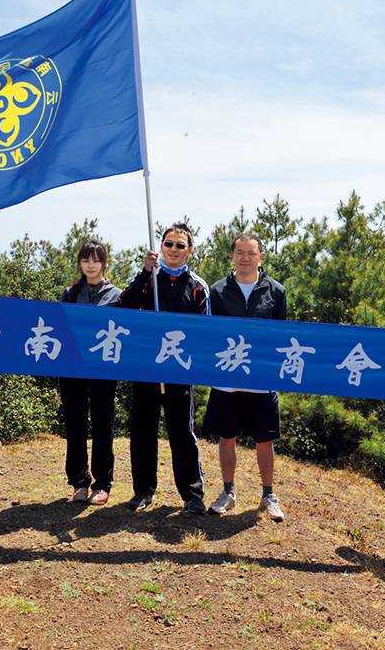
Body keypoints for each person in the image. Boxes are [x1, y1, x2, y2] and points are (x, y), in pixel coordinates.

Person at [117, 222, 209, 516]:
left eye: (180, 245)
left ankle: (192, 495)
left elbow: (207, 331)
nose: (173, 249)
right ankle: (143, 491)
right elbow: (124, 307)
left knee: (182, 433)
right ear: (161, 246)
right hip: (146, 367)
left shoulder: (197, 287)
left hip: (180, 370)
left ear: (190, 250)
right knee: (143, 430)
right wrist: (145, 272)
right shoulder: (148, 280)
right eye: (168, 244)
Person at [204, 232, 288, 521]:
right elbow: (210, 333)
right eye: (240, 252)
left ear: (260, 257)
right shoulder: (217, 291)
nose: (245, 258)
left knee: (265, 439)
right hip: (227, 378)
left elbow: (283, 336)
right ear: (232, 255)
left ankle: (268, 494)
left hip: (262, 379)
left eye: (251, 253)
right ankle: (228, 492)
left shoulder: (276, 291)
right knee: (227, 437)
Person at [58, 240, 121, 505]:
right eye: (85, 260)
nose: (90, 265)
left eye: (95, 260)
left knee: (102, 425)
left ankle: (102, 483)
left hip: (103, 370)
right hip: (72, 369)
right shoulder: (70, 293)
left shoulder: (117, 296)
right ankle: (79, 482)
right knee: (75, 425)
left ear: (104, 263)